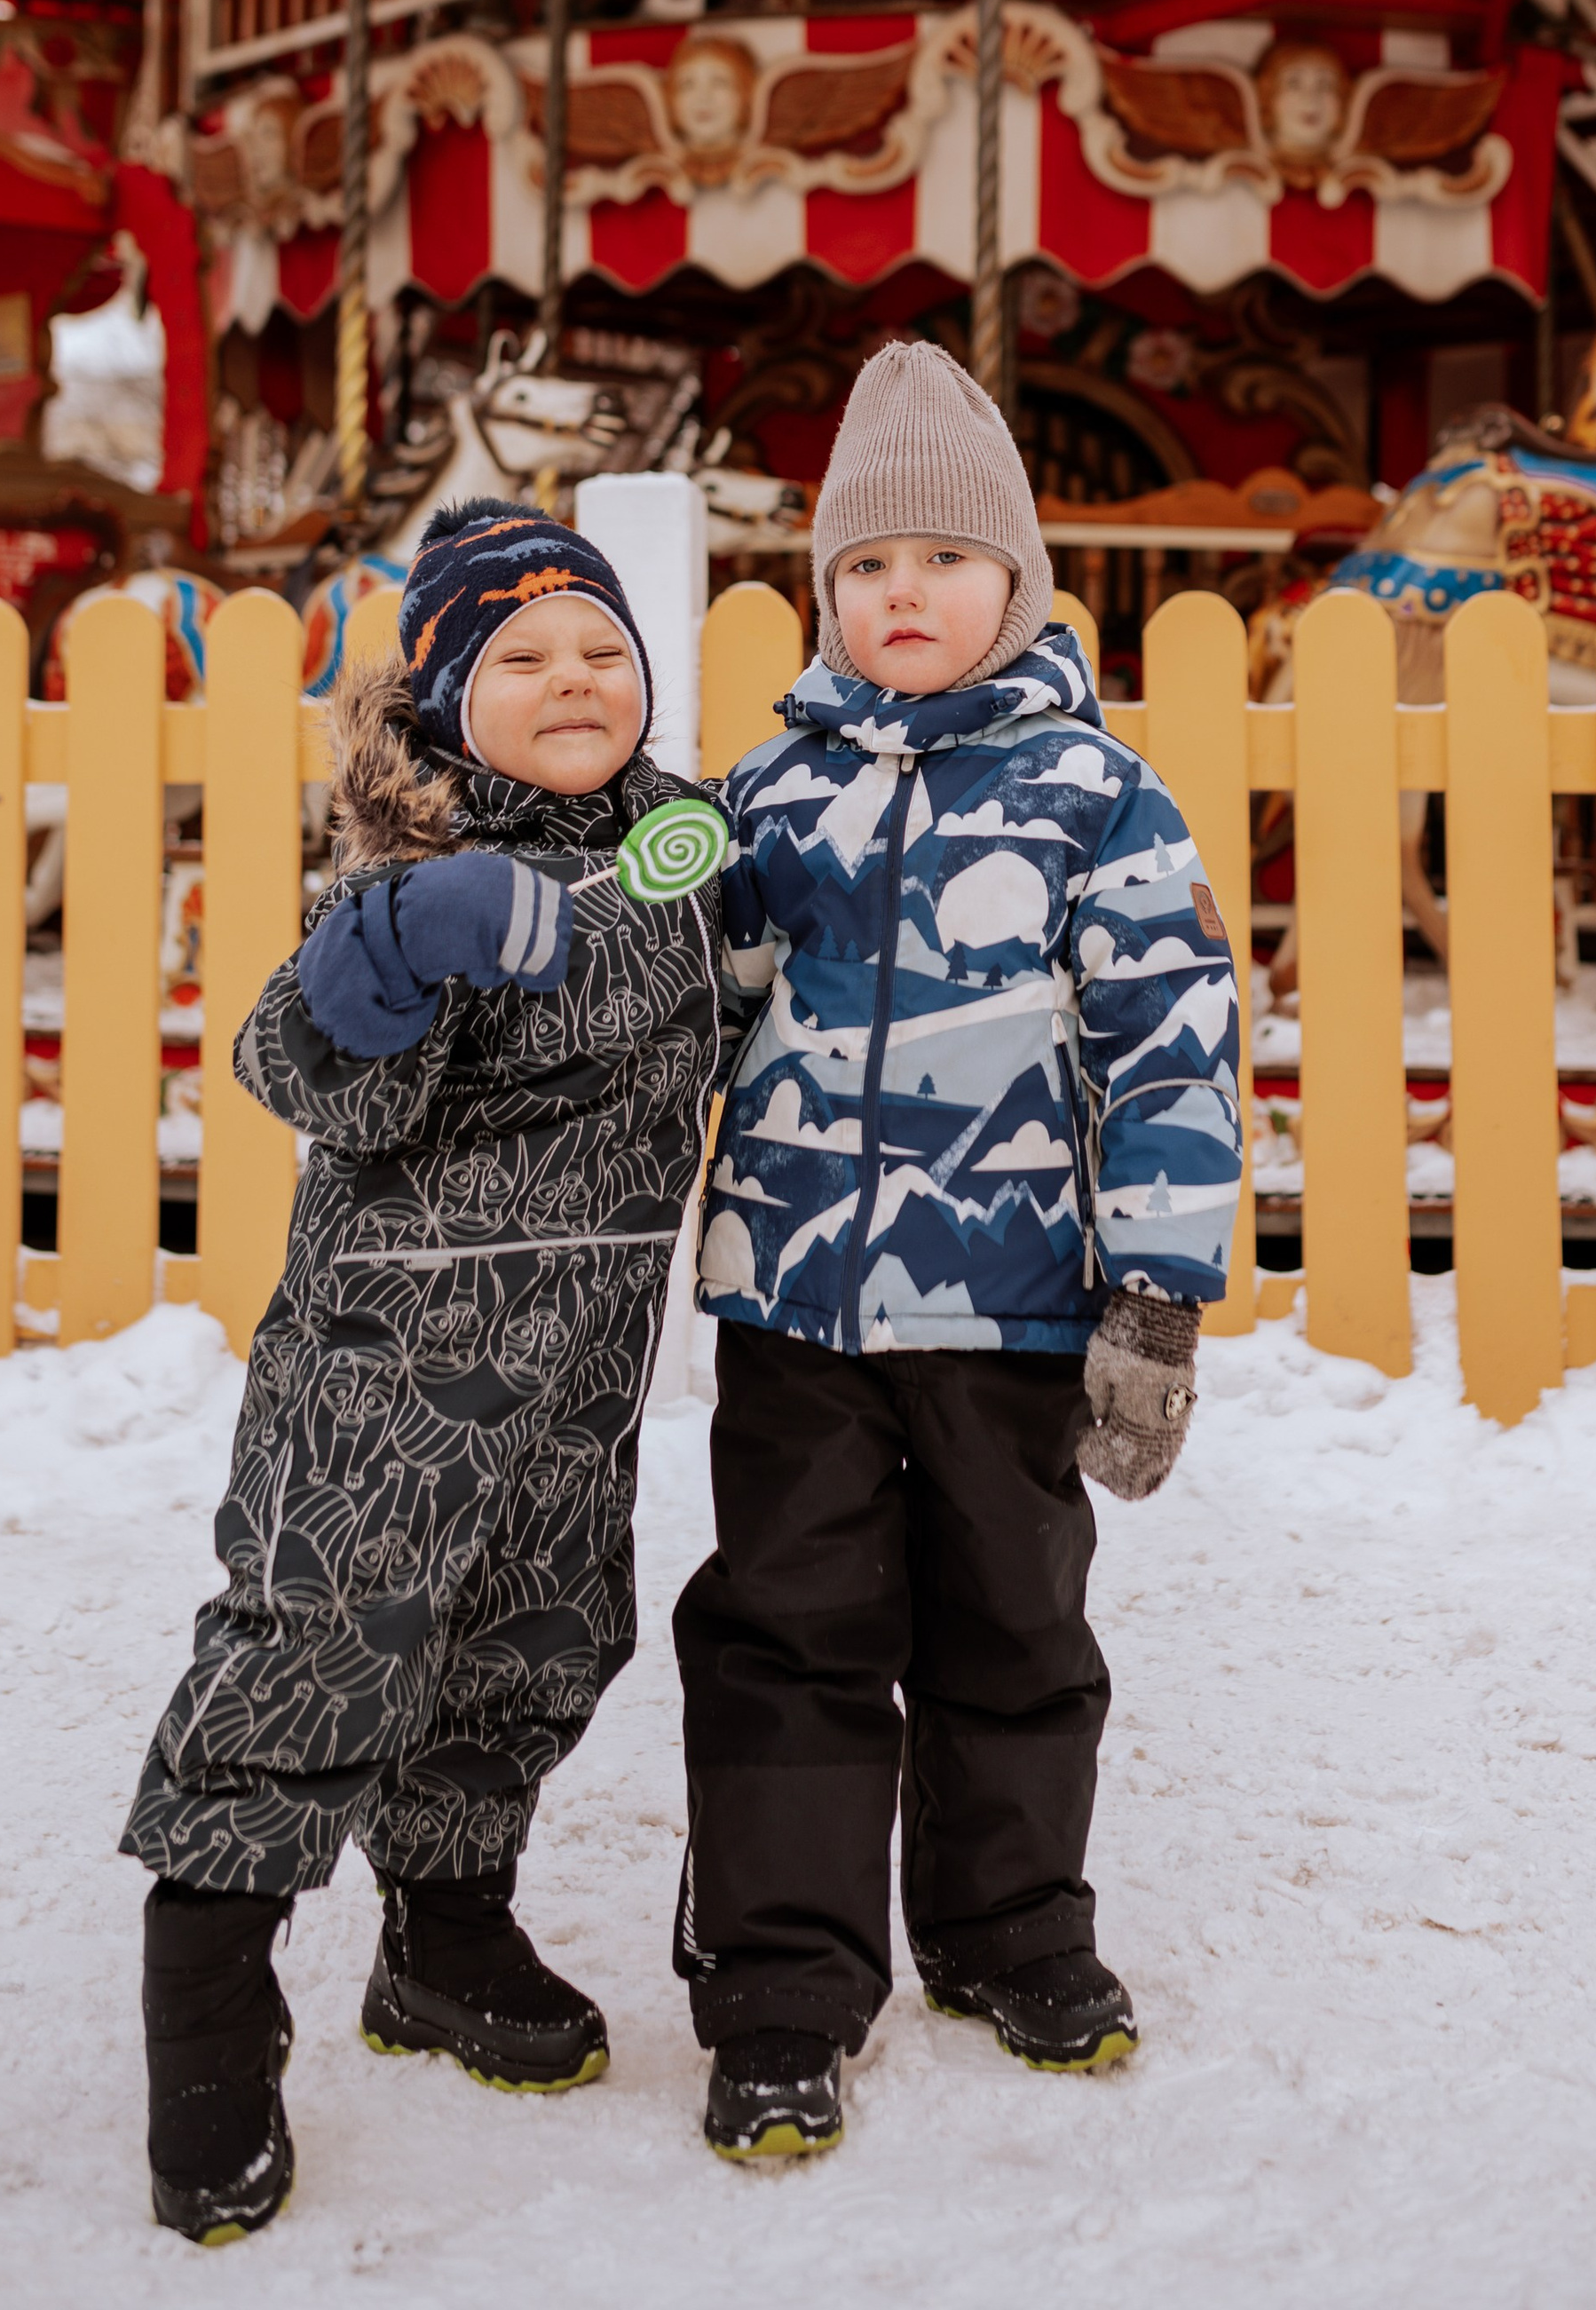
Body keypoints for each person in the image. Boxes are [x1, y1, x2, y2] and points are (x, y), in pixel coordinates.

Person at [119, 502, 726, 2243]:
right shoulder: (413, 861)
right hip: (390, 1376)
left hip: (579, 1376)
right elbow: (294, 1068)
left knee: (535, 1649)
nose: (571, 682)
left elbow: (749, 991)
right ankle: (211, 2035)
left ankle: (445, 1946)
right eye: (520, 659)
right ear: (443, 698)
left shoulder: (682, 848)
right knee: (313, 1663)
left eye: (601, 651)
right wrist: (382, 963)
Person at [676, 339, 1243, 2164]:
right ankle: (781, 1985)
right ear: (822, 594)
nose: (899, 592)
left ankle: (1008, 1933)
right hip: (794, 1306)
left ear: (1016, 581)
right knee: (788, 1633)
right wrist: (656, 882)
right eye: (863, 566)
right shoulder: (766, 789)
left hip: (1009, 1305)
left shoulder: (1096, 797)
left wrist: (1154, 1292)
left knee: (1013, 1624)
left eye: (937, 559)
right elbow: (704, 992)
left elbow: (1174, 1041)